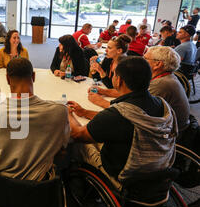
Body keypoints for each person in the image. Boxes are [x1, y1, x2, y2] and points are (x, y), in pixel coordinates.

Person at [67, 56, 177, 189]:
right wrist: (84, 112)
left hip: (125, 175)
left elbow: (78, 134)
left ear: (118, 80)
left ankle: (80, 187)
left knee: (77, 144)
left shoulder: (118, 114)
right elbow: (115, 120)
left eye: (113, 74)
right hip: (157, 168)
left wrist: (67, 114)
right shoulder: (162, 104)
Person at [0, 58, 70, 181]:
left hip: (0, 187)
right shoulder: (59, 111)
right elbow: (63, 144)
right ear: (34, 77)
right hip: (39, 187)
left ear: (8, 79)